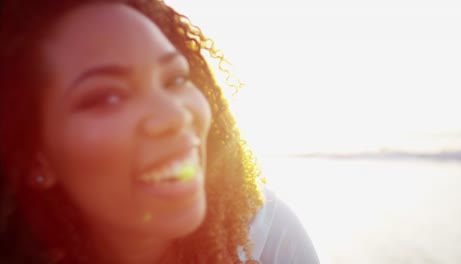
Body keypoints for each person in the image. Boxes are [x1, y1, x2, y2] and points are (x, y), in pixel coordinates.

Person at [0, 0, 320, 263]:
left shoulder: (266, 240)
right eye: (108, 97)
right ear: (36, 159)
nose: (175, 116)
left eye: (175, 79)